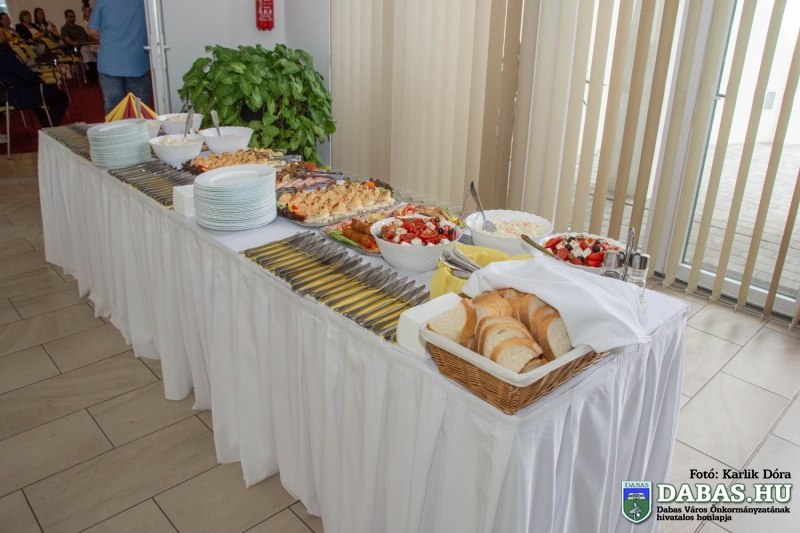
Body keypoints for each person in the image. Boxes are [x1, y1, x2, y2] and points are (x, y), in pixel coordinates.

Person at [89, 0, 151, 115]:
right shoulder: (143, 2)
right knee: (140, 110)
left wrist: (107, 37)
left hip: (109, 60)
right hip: (136, 61)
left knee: (114, 110)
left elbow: (92, 30)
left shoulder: (102, 1)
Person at [0, 29, 68, 127]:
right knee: (61, 97)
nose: (5, 34)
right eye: (3, 32)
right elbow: (20, 71)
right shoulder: (3, 51)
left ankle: (48, 124)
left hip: (10, 90)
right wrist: (37, 78)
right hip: (18, 92)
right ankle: (49, 125)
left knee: (40, 98)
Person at [61, 9, 97, 83]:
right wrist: (76, 43)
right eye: (70, 17)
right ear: (66, 17)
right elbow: (68, 41)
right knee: (86, 51)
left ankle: (94, 72)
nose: (73, 18)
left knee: (95, 49)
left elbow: (88, 37)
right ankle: (91, 73)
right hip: (76, 48)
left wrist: (98, 41)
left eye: (74, 16)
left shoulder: (79, 27)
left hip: (86, 46)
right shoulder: (64, 28)